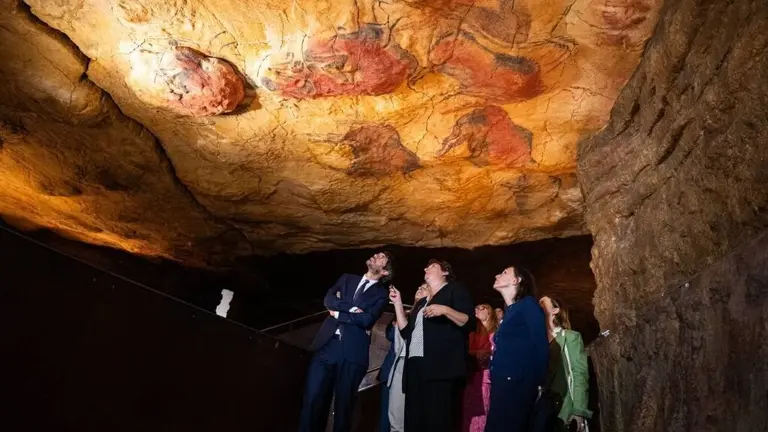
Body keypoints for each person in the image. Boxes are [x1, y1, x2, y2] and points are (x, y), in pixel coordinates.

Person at [299, 252, 394, 432]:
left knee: (343, 408)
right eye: (376, 253)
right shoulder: (346, 278)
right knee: (312, 399)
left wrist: (337, 312)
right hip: (326, 346)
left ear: (385, 272)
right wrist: (350, 308)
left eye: (382, 257)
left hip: (352, 354)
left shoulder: (381, 294)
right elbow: (329, 299)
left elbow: (366, 320)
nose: (375, 255)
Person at [389, 259, 475, 432]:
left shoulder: (454, 290)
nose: (426, 268)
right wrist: (398, 303)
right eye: (426, 266)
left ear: (445, 272)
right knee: (414, 420)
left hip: (440, 368)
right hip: (415, 366)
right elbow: (407, 333)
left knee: (437, 420)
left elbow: (470, 322)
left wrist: (445, 310)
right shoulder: (421, 303)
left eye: (432, 266)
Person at [485, 266, 549, 432]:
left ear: (516, 280)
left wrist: (539, 381)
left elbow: (540, 344)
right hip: (502, 381)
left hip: (517, 382)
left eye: (504, 272)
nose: (497, 274)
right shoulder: (511, 311)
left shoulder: (528, 305)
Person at [379, 285, 428, 432]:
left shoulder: (430, 314)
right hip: (395, 367)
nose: (420, 288)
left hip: (414, 367)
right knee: (389, 415)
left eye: (425, 287)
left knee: (406, 417)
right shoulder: (404, 313)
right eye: (419, 286)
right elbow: (390, 335)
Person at [539, 296, 592, 432]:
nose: (538, 304)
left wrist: (579, 410)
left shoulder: (570, 337)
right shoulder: (536, 340)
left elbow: (579, 373)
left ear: (555, 310)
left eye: (543, 302)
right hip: (538, 404)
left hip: (561, 405)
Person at [462, 304, 499, 432]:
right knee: (469, 410)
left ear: (489, 312)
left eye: (482, 307)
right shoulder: (473, 333)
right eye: (476, 307)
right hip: (473, 376)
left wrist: (484, 353)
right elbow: (468, 351)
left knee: (484, 410)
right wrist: (478, 352)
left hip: (487, 377)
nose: (477, 309)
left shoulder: (496, 333)